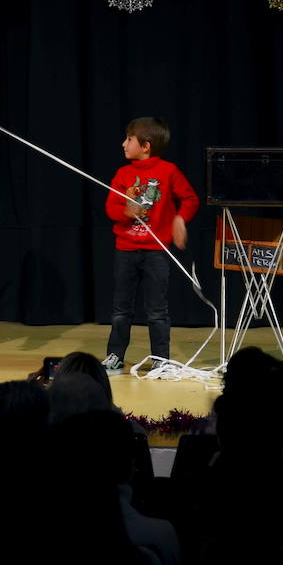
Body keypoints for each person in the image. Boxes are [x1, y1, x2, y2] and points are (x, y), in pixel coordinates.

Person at [101, 117, 199, 374]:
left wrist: (180, 218)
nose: (123, 144)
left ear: (145, 146)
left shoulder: (169, 172)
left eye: (129, 139)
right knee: (121, 309)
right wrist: (126, 210)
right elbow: (111, 208)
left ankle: (161, 360)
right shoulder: (123, 174)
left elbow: (190, 199)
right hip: (125, 249)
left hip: (156, 252)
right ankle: (115, 356)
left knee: (157, 311)